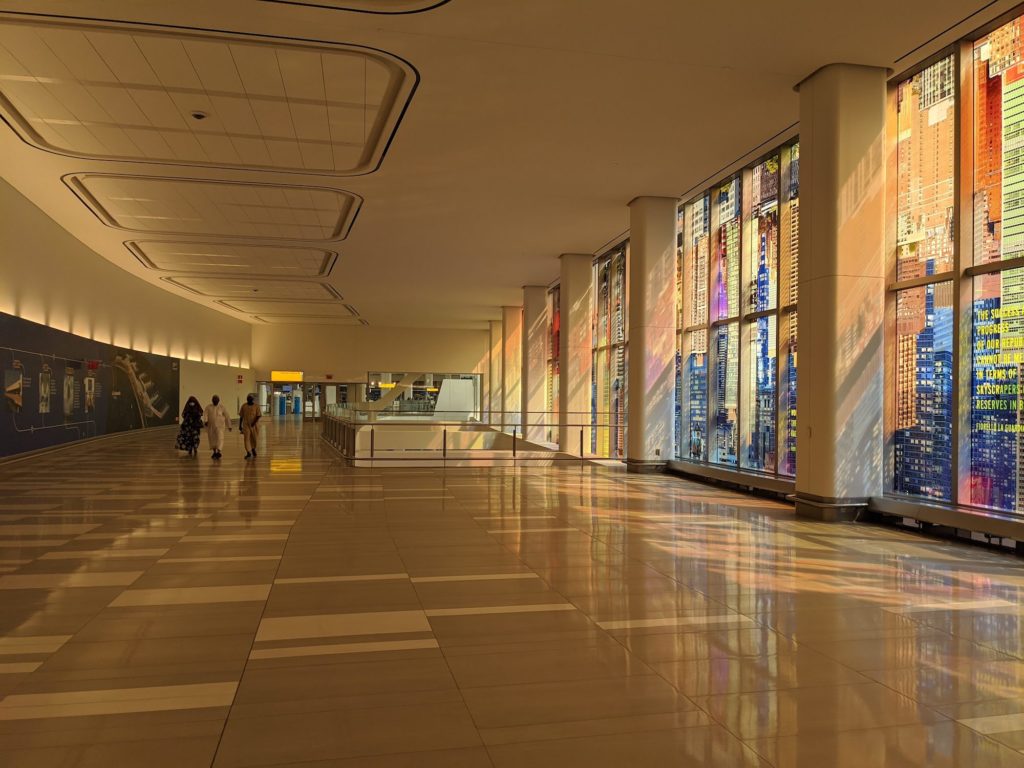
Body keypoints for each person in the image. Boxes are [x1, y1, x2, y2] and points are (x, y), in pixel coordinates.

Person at [203, 395, 231, 460]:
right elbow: (205, 414)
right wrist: (206, 421)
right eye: (214, 399)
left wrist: (229, 425)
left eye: (216, 400)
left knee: (220, 438)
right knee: (212, 439)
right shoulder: (208, 407)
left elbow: (227, 416)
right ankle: (214, 452)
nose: (215, 401)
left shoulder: (222, 407)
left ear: (218, 400)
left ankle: (219, 451)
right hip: (211, 426)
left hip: (220, 426)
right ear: (212, 400)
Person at [238, 394, 262, 459]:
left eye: (250, 399)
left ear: (253, 400)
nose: (249, 400)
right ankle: (248, 452)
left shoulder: (256, 406)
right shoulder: (244, 406)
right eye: (248, 399)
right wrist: (240, 425)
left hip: (254, 425)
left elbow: (259, 415)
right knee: (246, 438)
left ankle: (253, 448)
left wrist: (254, 423)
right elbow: (241, 416)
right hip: (246, 425)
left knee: (254, 438)